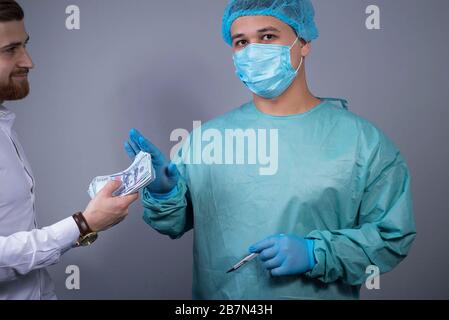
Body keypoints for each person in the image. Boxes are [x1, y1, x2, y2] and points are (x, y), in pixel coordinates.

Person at [125, 0, 416, 299]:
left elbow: (392, 237)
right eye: (241, 42)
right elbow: (172, 224)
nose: (253, 51)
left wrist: (316, 253)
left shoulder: (361, 142)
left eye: (267, 37)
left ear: (303, 43)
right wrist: (163, 191)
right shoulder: (206, 140)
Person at [0, 0, 138, 300]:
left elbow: (22, 248)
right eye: (11, 49)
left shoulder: (4, 125)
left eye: (24, 45)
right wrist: (83, 224)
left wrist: (84, 228)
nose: (29, 61)